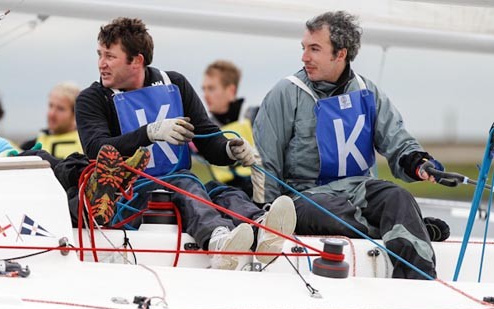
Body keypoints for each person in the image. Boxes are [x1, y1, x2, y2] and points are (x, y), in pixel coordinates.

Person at [74, 17, 296, 270]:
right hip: (129, 196)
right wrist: (149, 132)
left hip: (179, 186)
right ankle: (218, 240)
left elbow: (207, 137)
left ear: (137, 60)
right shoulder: (92, 99)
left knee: (222, 191)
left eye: (110, 56)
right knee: (185, 183)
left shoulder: (175, 84)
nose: (101, 64)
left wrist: (229, 150)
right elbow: (97, 149)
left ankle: (263, 228)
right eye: (100, 54)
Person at [253, 11, 450, 279]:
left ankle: (419, 282)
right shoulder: (285, 94)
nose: (304, 57)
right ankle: (402, 227)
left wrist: (419, 163)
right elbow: (266, 162)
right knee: (322, 212)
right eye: (304, 48)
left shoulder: (367, 93)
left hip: (358, 190)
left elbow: (397, 141)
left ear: (340, 54)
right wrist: (269, 214)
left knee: (398, 196)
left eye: (314, 49)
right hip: (307, 198)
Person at [199, 60, 258, 198]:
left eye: (211, 88)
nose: (205, 95)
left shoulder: (256, 117)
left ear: (231, 91)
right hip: (224, 195)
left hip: (258, 190)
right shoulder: (203, 128)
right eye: (204, 89)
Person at [20, 83, 83, 159]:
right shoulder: (29, 147)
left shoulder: (86, 145)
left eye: (60, 109)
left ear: (75, 113)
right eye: (51, 106)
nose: (52, 114)